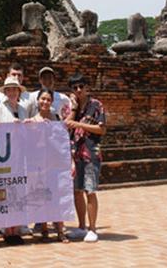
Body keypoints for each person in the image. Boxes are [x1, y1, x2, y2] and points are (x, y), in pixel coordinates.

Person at [64, 73, 107, 243]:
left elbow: (102, 129)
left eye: (81, 86)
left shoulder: (96, 105)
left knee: (90, 190)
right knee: (77, 191)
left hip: (91, 153)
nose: (79, 90)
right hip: (75, 154)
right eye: (75, 88)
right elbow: (66, 126)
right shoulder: (71, 107)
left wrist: (80, 124)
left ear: (87, 87)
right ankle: (81, 227)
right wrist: (74, 110)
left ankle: (92, 228)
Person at [0, 76, 30, 245]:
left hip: (19, 155)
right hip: (3, 156)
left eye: (15, 89)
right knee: (5, 192)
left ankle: (16, 227)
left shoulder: (23, 109)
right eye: (9, 90)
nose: (12, 92)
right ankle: (6, 228)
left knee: (18, 191)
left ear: (18, 92)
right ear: (5, 92)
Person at [28, 87, 72, 243]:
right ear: (38, 101)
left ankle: (60, 230)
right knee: (41, 196)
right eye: (43, 99)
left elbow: (63, 143)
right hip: (38, 163)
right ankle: (44, 229)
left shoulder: (56, 119)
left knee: (57, 196)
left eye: (48, 99)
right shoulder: (32, 120)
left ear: (52, 102)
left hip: (54, 162)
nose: (45, 102)